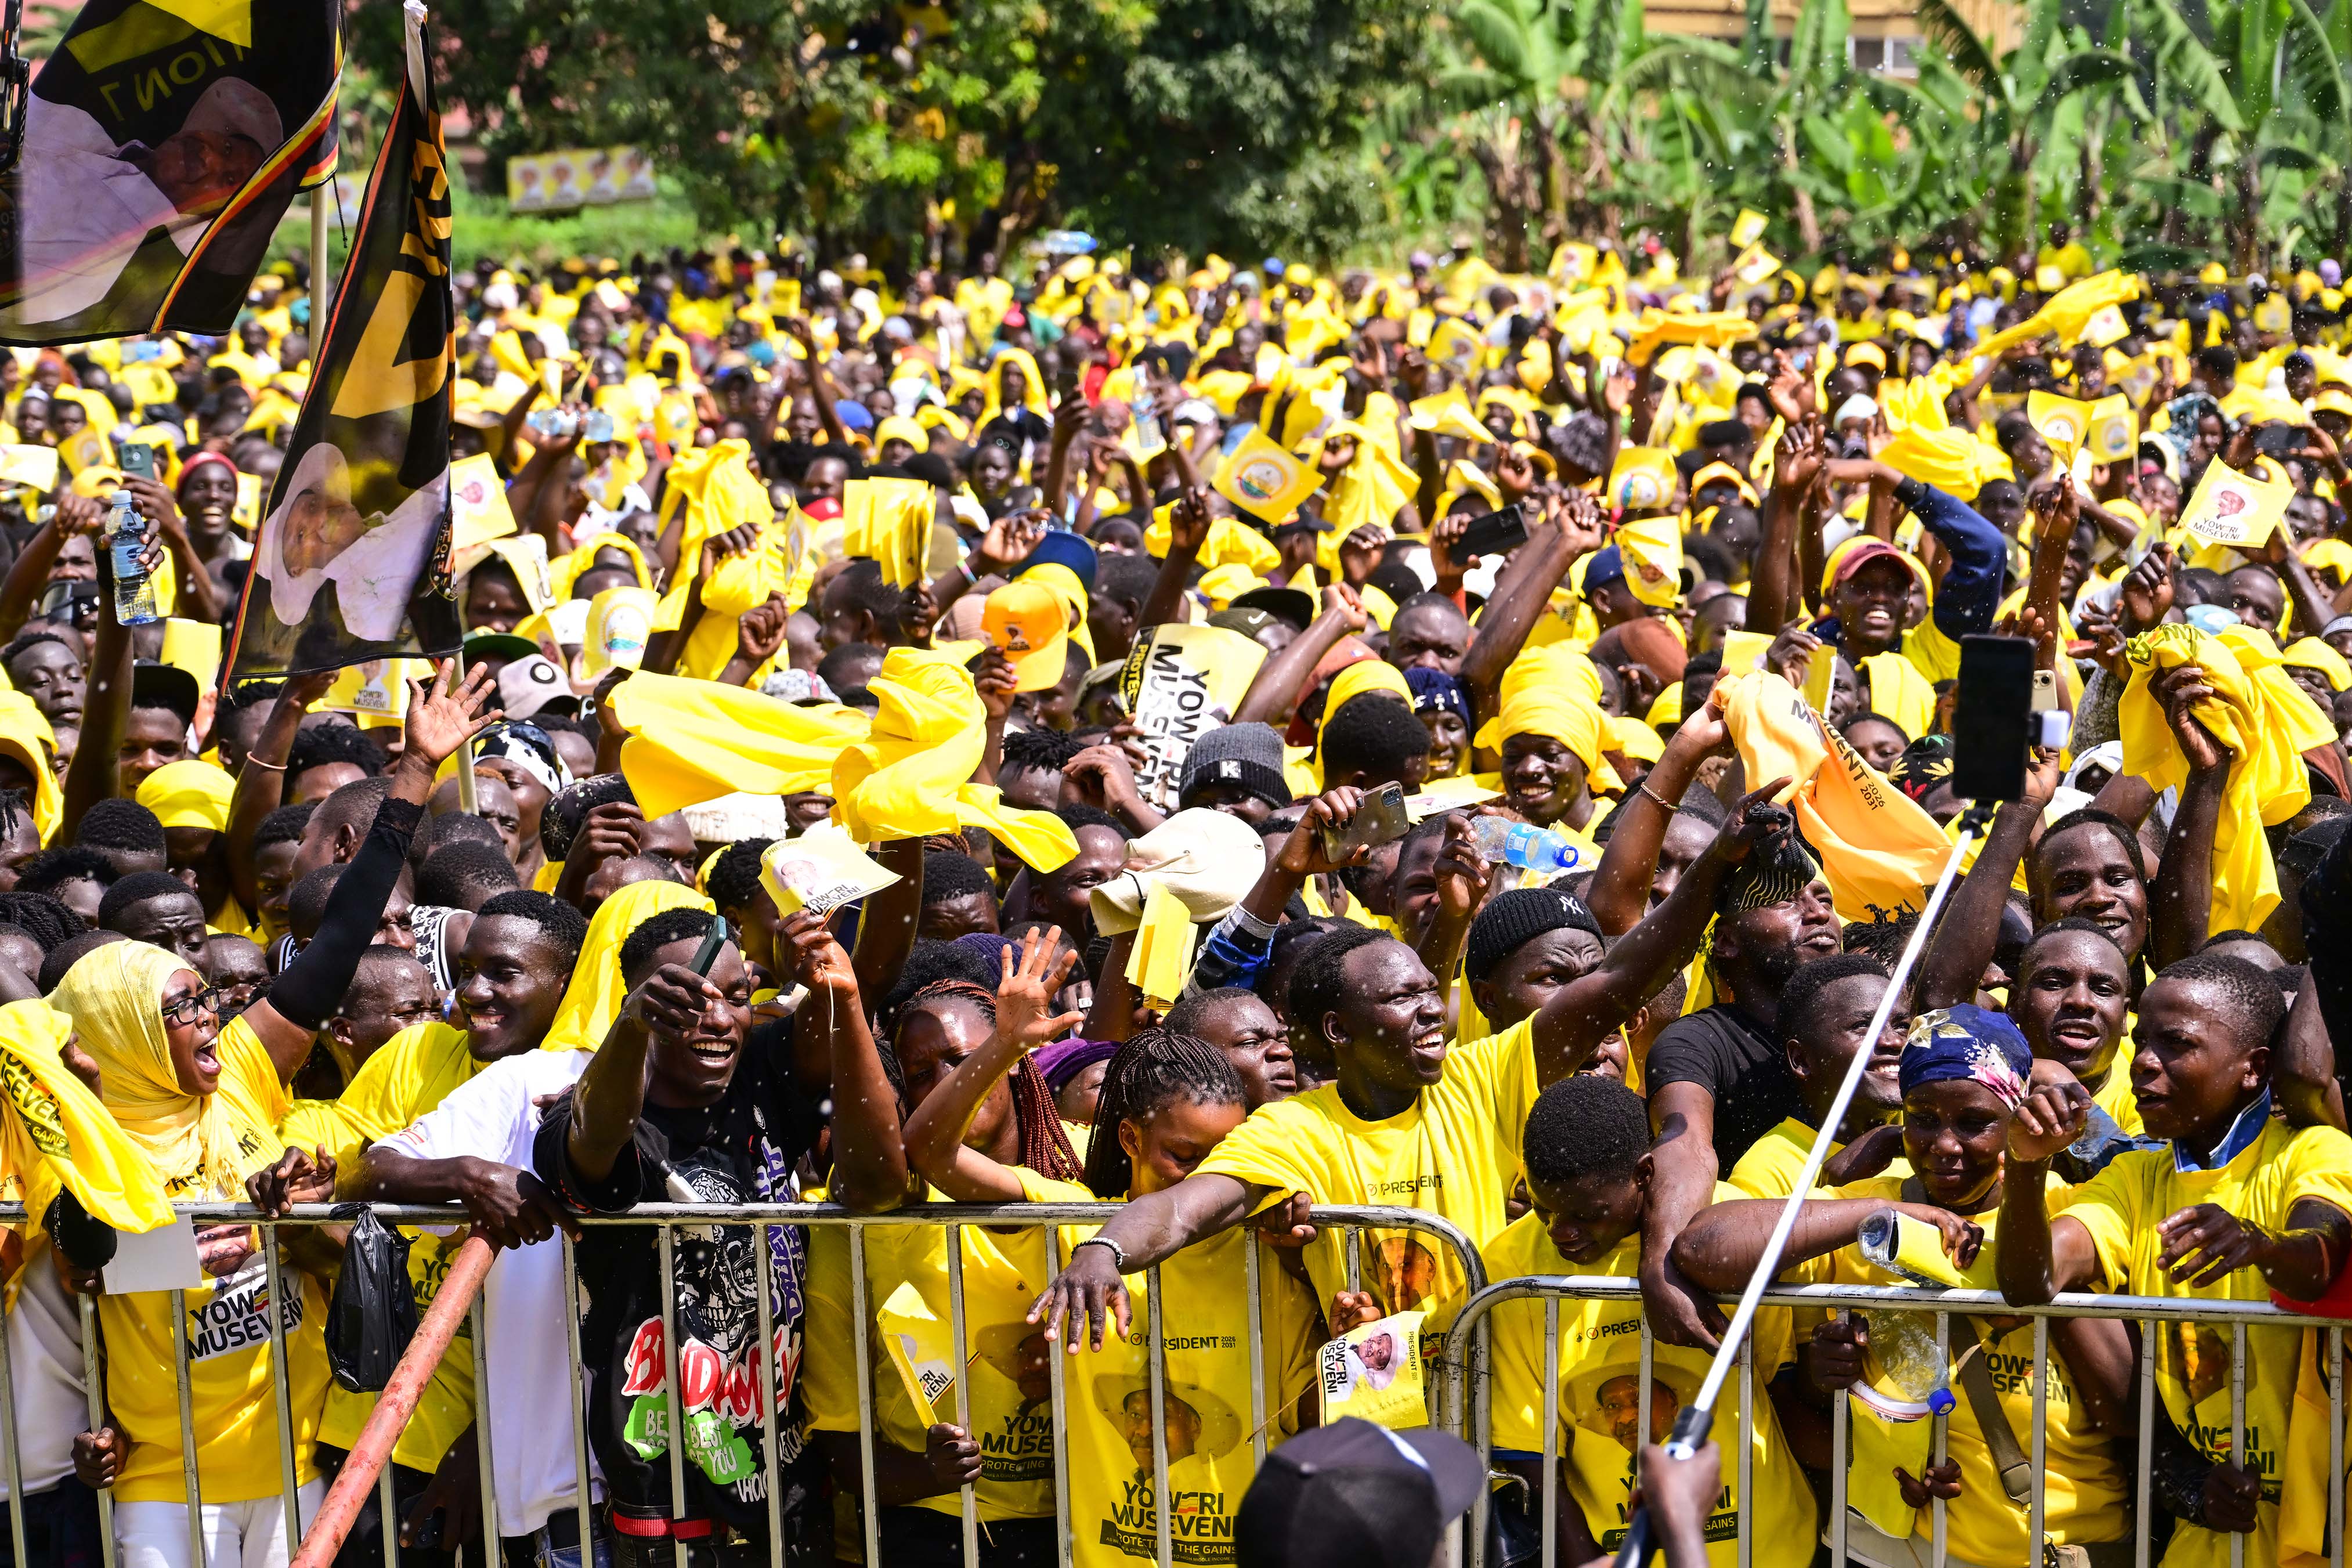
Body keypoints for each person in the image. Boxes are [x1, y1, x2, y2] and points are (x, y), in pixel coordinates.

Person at [1030, 779, 1787, 1342]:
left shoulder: (1483, 1076)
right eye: (1400, 997)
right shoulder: (1295, 1131)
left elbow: (1623, 976)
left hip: (1497, 1405)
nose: (1431, 1008)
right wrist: (1104, 1247)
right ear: (1337, 1028)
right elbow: (1188, 1205)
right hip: (1379, 1426)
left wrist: (1717, 865)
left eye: (1432, 991)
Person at [899, 932, 1320, 1568]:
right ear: (1129, 1137)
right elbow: (930, 1151)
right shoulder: (1073, 1221)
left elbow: (1312, 1419)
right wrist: (1004, 1047)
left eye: (1227, 1162)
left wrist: (1333, 1313)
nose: (1207, 1184)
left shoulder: (1264, 1248)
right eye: (1185, 1156)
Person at [1676, 1007, 2131, 1568]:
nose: (1944, 1144)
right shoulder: (1866, 1213)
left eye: (1974, 1122)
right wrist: (1883, 1211)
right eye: (1922, 1119)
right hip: (1887, 1546)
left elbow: (2125, 1408)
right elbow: (1702, 1248)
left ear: (2015, 1118)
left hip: (2053, 1543)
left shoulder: (2068, 1211)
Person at [1995, 955, 2352, 1566]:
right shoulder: (2135, 1176)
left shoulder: (2314, 1150)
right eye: (2142, 1041)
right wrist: (2027, 1165)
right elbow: (2031, 1280)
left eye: (2176, 1044)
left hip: (2330, 1523)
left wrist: (2260, 1244)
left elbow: (2318, 1262)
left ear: (2253, 1069)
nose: (2143, 1062)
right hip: (2221, 1533)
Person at [534, 906, 828, 1563]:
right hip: (665, 1508)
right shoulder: (594, 1112)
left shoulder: (762, 1081)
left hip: (787, 1493)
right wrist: (632, 1026)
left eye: (735, 996)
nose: (717, 1018)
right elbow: (593, 1138)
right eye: (687, 1002)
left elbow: (870, 980)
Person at [1486, 1076, 1815, 1566]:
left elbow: (1777, 1386)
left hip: (1769, 1547)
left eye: (1587, 1213)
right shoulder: (1510, 1265)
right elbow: (1532, 1455)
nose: (1561, 1232)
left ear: (1643, 1174)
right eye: (1542, 1209)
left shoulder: (1731, 1226)